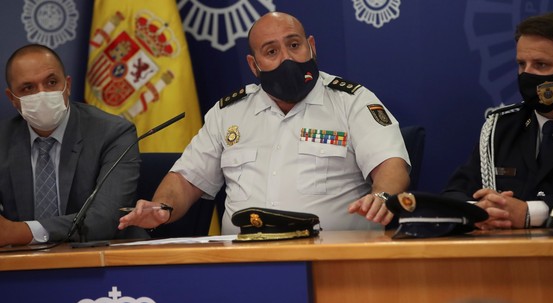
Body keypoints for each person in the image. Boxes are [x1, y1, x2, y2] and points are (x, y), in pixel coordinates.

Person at [119, 11, 411, 234]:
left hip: (332, 257)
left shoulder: (352, 101)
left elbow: (391, 164)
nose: (286, 58)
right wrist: (162, 207)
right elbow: (185, 179)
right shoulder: (228, 113)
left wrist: (382, 195)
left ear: (311, 47)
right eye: (271, 52)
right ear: (253, 65)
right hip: (242, 261)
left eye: (294, 45)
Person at [443, 12, 553, 229]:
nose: (527, 74)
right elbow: (454, 193)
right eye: (521, 64)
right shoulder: (500, 128)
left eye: (541, 65)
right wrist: (481, 210)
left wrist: (531, 213)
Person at [0, 44, 148, 246]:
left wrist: (22, 232)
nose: (42, 94)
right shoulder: (3, 140)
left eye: (51, 82)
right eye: (28, 88)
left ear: (67, 85)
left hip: (103, 262)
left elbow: (105, 219)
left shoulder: (113, 133)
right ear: (12, 99)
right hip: (23, 266)